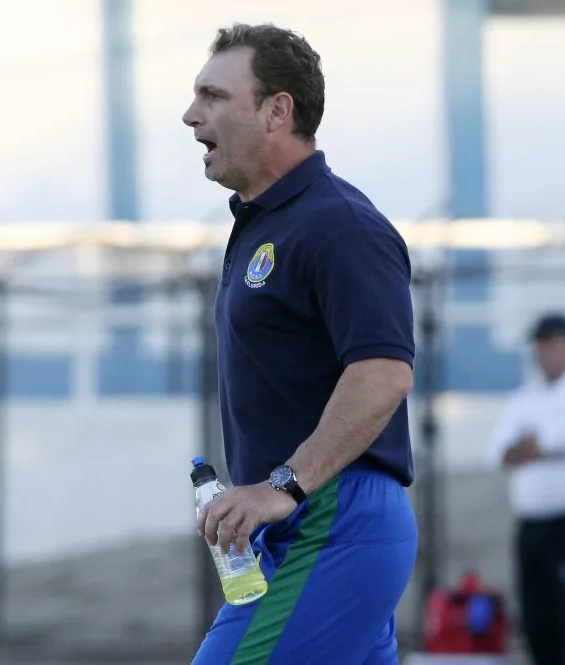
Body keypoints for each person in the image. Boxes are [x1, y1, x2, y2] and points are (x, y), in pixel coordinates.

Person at [183, 24, 418, 664]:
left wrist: (284, 485)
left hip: (333, 516)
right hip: (298, 524)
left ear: (277, 111)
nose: (191, 115)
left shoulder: (339, 224)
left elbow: (383, 372)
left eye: (213, 96)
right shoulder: (267, 222)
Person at [486, 313, 565, 665]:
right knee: (537, 623)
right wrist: (533, 447)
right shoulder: (524, 397)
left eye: (551, 343)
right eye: (540, 344)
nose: (544, 352)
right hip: (531, 527)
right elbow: (497, 452)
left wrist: (531, 446)